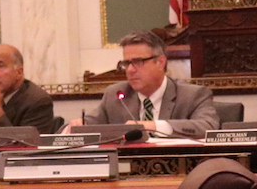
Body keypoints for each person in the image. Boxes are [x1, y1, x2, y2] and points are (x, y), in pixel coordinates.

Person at [80, 31, 220, 136]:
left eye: (138, 62)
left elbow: (208, 127)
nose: (130, 69)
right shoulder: (116, 95)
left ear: (160, 62)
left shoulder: (193, 95)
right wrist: (75, 128)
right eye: (126, 63)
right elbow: (84, 126)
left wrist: (154, 126)